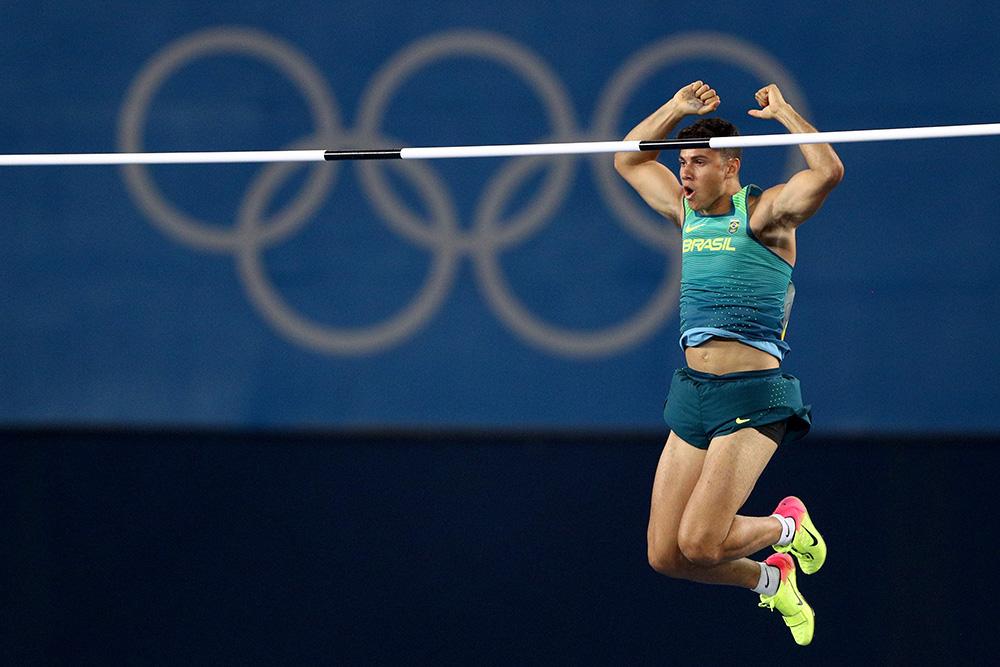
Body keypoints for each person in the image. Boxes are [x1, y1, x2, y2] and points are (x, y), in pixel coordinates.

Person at [614, 81, 844, 646]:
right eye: (682, 163)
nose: (685, 174)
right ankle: (772, 577)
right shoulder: (685, 214)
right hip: (692, 393)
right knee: (665, 555)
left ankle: (789, 526)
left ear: (731, 165)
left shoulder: (767, 215)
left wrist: (787, 111)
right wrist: (675, 109)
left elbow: (828, 173)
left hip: (751, 395)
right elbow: (628, 158)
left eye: (697, 163)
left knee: (700, 542)